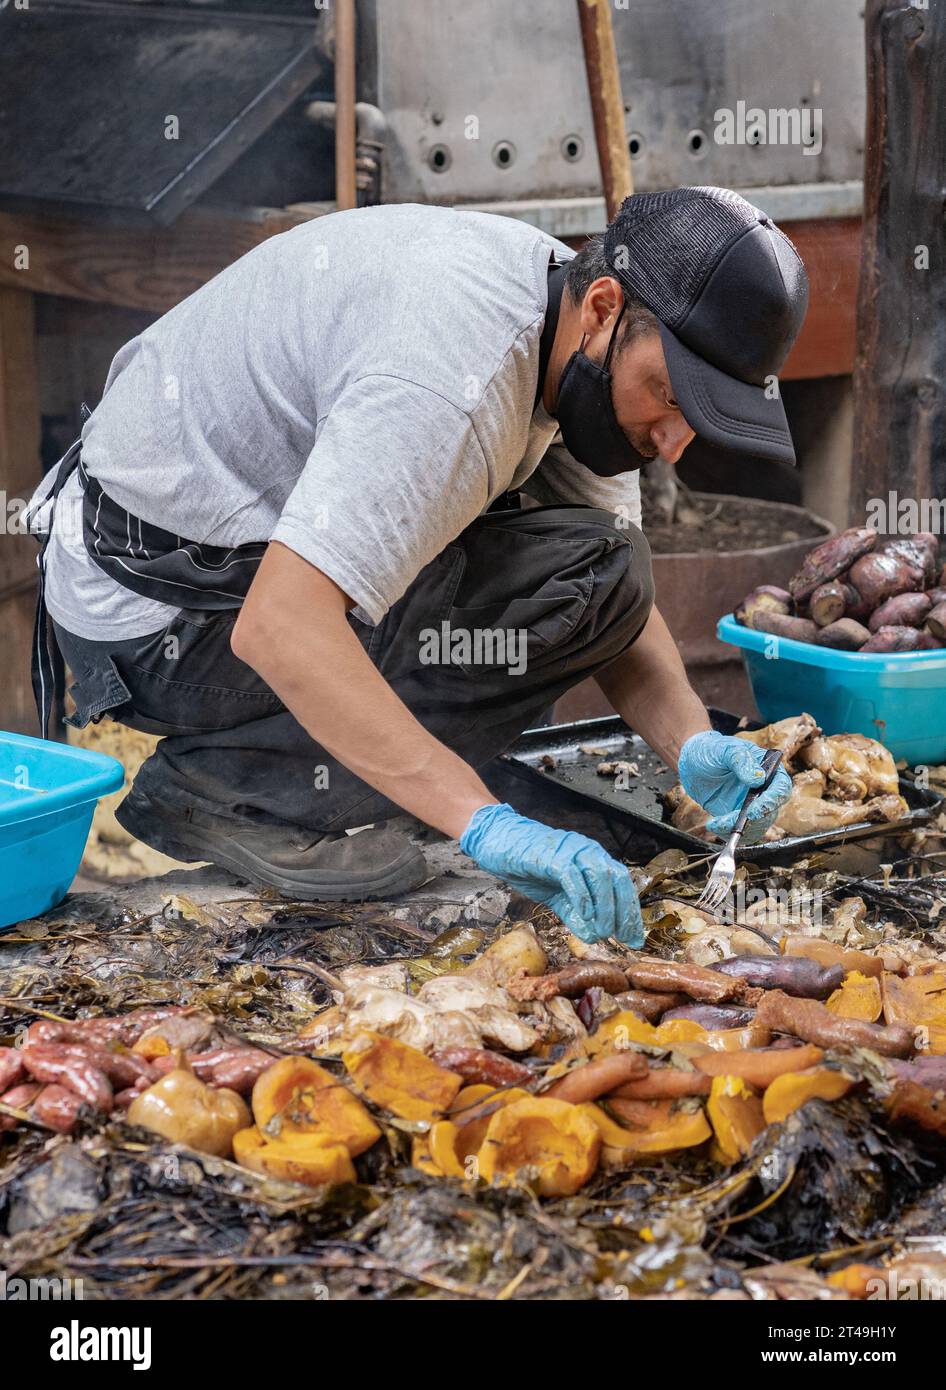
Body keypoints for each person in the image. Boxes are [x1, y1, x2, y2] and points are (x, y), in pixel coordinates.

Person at [29, 186, 805, 945]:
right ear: (604, 309)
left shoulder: (578, 329)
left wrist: (691, 747)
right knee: (533, 589)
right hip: (155, 616)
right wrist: (481, 821)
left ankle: (274, 775)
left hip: (214, 564)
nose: (673, 443)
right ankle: (240, 793)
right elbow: (280, 626)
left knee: (598, 566)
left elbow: (610, 593)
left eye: (696, 418)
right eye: (668, 397)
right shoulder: (448, 384)